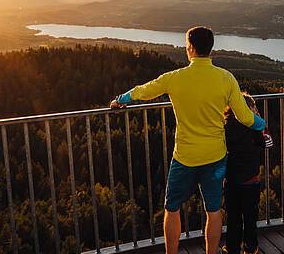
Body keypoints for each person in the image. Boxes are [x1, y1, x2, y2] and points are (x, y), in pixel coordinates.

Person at [110, 26, 266, 254]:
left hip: (185, 157)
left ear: (190, 48)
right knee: (213, 211)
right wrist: (263, 125)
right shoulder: (226, 78)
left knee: (172, 208)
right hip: (215, 157)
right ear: (210, 48)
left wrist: (120, 100)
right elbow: (244, 117)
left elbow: (143, 91)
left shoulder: (175, 78)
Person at [222, 93, 273, 254]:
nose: (256, 109)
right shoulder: (253, 127)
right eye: (253, 106)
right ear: (248, 109)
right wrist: (259, 122)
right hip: (250, 180)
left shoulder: (227, 125)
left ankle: (232, 248)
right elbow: (268, 143)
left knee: (233, 217)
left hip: (231, 179)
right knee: (250, 217)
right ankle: (251, 248)